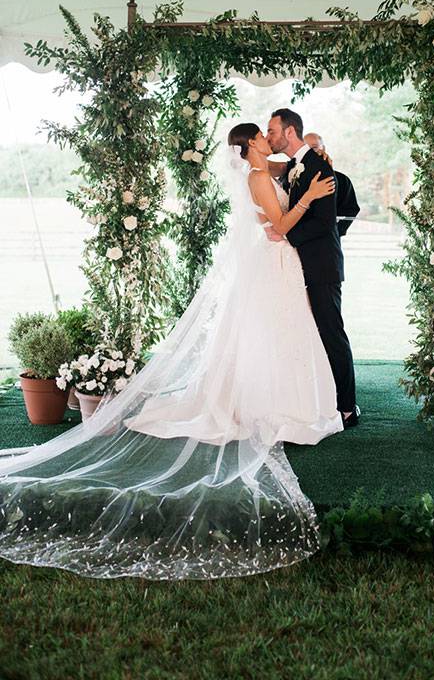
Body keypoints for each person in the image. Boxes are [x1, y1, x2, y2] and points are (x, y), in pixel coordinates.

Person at [0, 123, 343, 582]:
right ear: (246, 149)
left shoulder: (265, 169)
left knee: (280, 336)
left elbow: (288, 165)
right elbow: (279, 226)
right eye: (260, 136)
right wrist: (306, 196)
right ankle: (274, 401)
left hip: (277, 267)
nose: (267, 137)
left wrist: (312, 160)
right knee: (272, 334)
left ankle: (283, 395)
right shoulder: (257, 178)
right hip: (273, 261)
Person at [267, 109, 360, 428]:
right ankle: (320, 400)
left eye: (273, 131)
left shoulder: (320, 170)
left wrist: (285, 232)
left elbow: (323, 224)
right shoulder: (294, 167)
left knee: (331, 332)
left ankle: (348, 407)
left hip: (322, 266)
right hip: (299, 266)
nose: (270, 137)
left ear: (289, 132)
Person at [304, 132, 360, 237]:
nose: (310, 153)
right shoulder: (295, 178)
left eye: (314, 148)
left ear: (323, 148)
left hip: (330, 239)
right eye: (306, 150)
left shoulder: (342, 180)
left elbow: (351, 210)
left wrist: (335, 231)